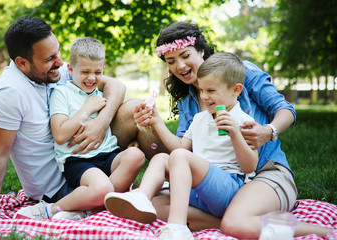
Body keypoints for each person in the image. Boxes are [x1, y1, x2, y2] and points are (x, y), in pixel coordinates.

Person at [113, 22, 333, 238]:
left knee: (234, 222)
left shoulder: (238, 72)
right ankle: (232, 223)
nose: (179, 65)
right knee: (156, 205)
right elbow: (181, 149)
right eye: (171, 61)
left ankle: (236, 222)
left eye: (185, 55)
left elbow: (285, 109)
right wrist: (156, 122)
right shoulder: (190, 102)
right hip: (215, 179)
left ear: (201, 51)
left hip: (264, 172)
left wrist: (268, 131)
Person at [0, 16, 126, 219]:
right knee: (103, 186)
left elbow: (117, 86)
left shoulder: (57, 71)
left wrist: (101, 123)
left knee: (132, 109)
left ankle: (178, 178)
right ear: (22, 63)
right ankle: (77, 207)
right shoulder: (8, 93)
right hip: (60, 186)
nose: (59, 62)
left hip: (95, 162)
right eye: (49, 58)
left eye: (57, 52)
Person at [105, 52, 258, 239]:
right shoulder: (200, 118)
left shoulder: (244, 121)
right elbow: (180, 148)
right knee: (160, 170)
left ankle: (177, 227)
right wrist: (156, 123)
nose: (204, 96)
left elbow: (250, 166)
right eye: (202, 90)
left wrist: (235, 134)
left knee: (178, 157)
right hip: (200, 191)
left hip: (227, 190)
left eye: (211, 91)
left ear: (236, 90)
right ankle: (142, 197)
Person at [48, 37, 145, 214]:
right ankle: (51, 209)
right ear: (70, 69)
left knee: (136, 156)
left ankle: (97, 208)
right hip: (79, 160)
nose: (92, 78)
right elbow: (60, 135)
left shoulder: (101, 93)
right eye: (85, 72)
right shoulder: (61, 93)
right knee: (101, 188)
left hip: (108, 154)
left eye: (98, 72)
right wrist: (87, 108)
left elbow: (118, 87)